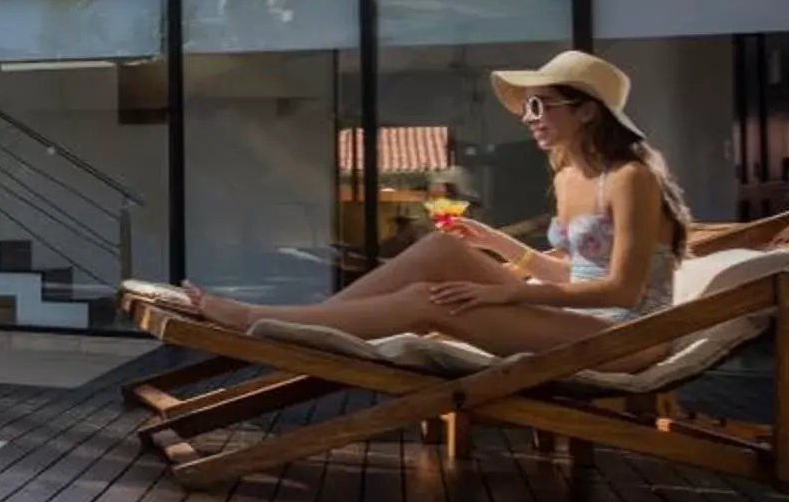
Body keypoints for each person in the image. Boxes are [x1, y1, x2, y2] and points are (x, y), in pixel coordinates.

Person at [179, 50, 692, 365]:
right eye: (526, 107)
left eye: (539, 106)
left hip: (628, 336)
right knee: (442, 246)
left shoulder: (630, 179)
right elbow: (577, 269)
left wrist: (505, 296)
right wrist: (498, 245)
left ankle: (260, 319)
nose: (528, 117)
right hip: (584, 318)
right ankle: (307, 327)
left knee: (433, 300)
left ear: (586, 111)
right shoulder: (568, 177)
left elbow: (621, 289)